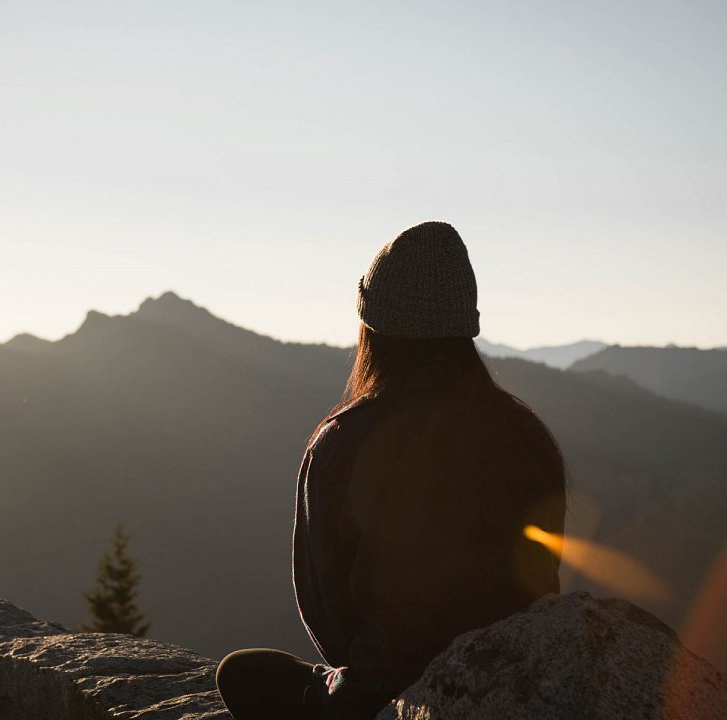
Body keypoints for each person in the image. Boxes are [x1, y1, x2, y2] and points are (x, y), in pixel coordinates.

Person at [214, 221, 567, 720]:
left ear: (372, 328)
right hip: (518, 685)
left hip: (388, 697)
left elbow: (325, 607)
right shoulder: (526, 436)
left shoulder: (343, 443)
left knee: (244, 672)